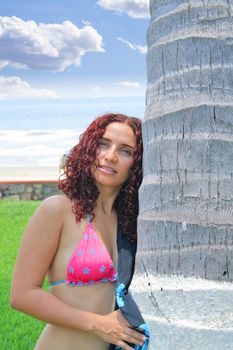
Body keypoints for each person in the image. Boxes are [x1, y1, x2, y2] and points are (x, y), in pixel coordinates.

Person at [10, 113, 148, 350]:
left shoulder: (130, 224)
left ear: (136, 165)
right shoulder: (59, 210)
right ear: (88, 149)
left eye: (126, 151)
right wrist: (98, 324)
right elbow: (22, 295)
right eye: (103, 144)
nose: (110, 156)